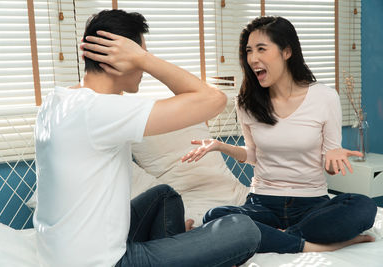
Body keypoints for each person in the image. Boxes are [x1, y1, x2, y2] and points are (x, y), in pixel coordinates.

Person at [34, 9, 262, 267]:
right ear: (119, 59)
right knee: (244, 229)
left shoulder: (56, 101)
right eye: (139, 55)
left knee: (164, 196)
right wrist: (145, 59)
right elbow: (214, 100)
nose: (143, 65)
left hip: (61, 255)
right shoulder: (99, 110)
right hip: (103, 262)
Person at [182, 16, 377, 253]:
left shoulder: (325, 97)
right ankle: (313, 244)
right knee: (216, 215)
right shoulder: (246, 102)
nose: (253, 59)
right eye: (249, 51)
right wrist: (220, 146)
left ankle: (281, 237)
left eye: (261, 49)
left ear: (286, 51)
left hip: (311, 204)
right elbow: (253, 155)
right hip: (263, 203)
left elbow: (331, 167)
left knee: (363, 206)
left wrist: (333, 155)